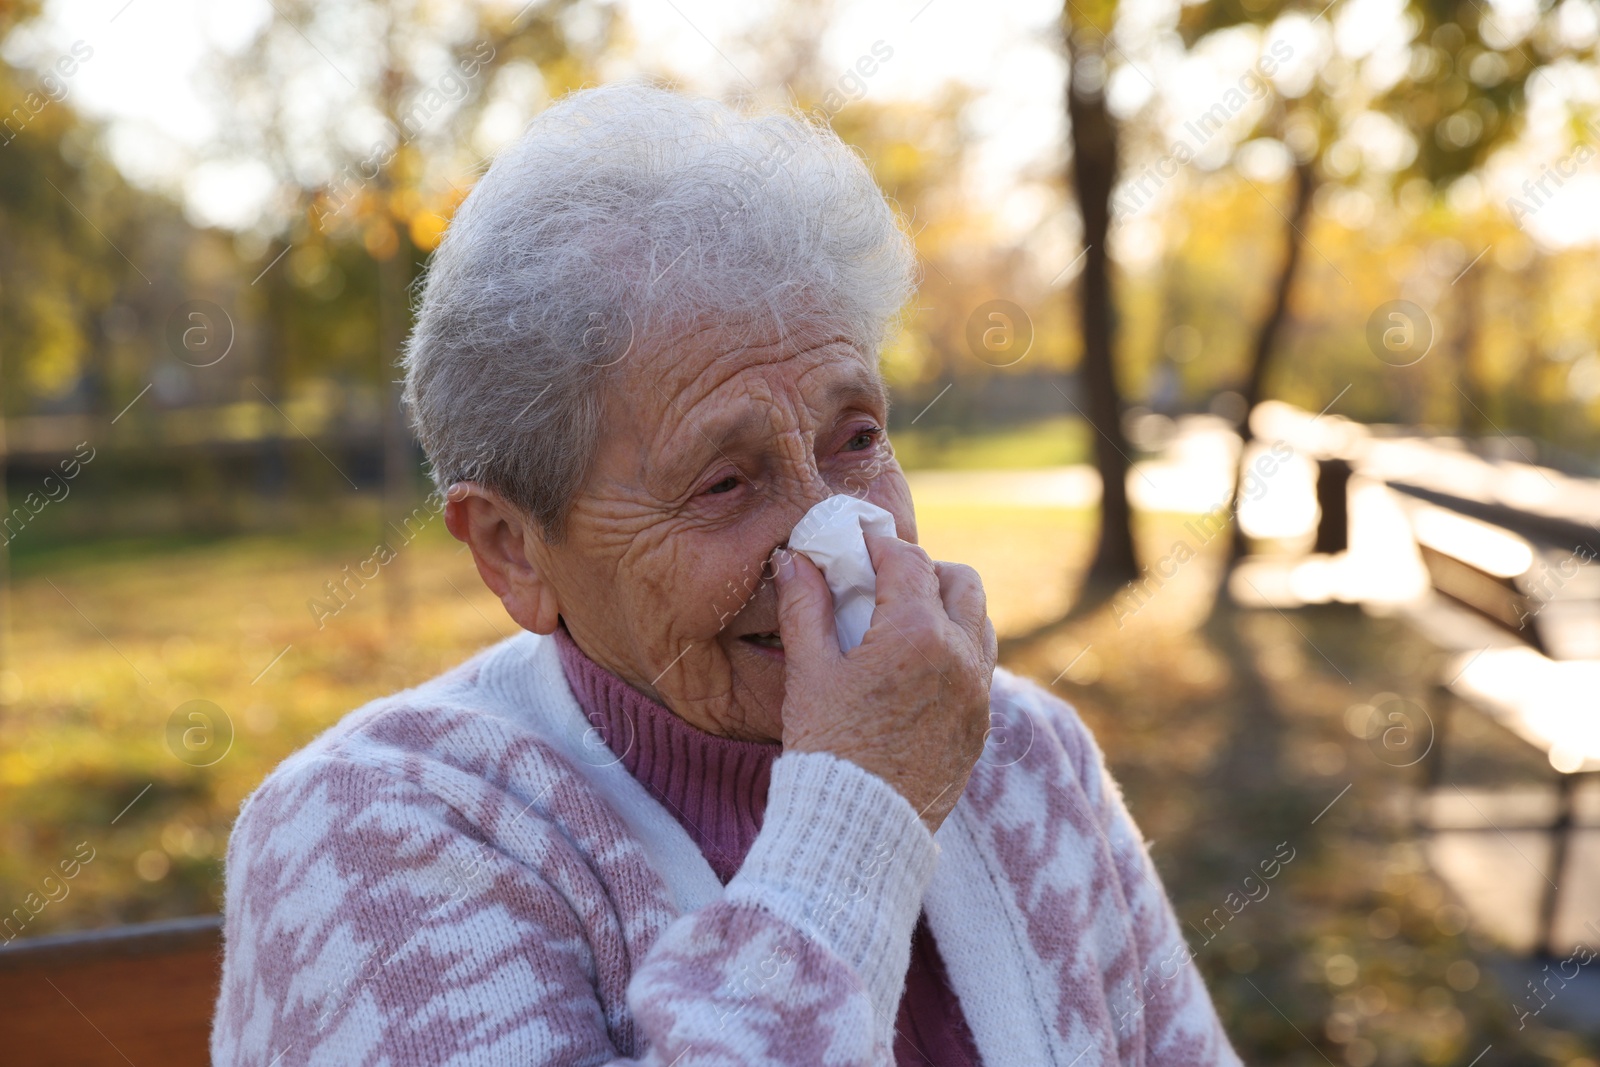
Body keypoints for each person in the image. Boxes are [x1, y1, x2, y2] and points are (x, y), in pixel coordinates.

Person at [211, 82, 1242, 1067]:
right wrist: (860, 808)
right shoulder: (367, 831)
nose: (838, 533)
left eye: (857, 437)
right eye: (723, 480)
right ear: (511, 548)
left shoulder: (1019, 752)